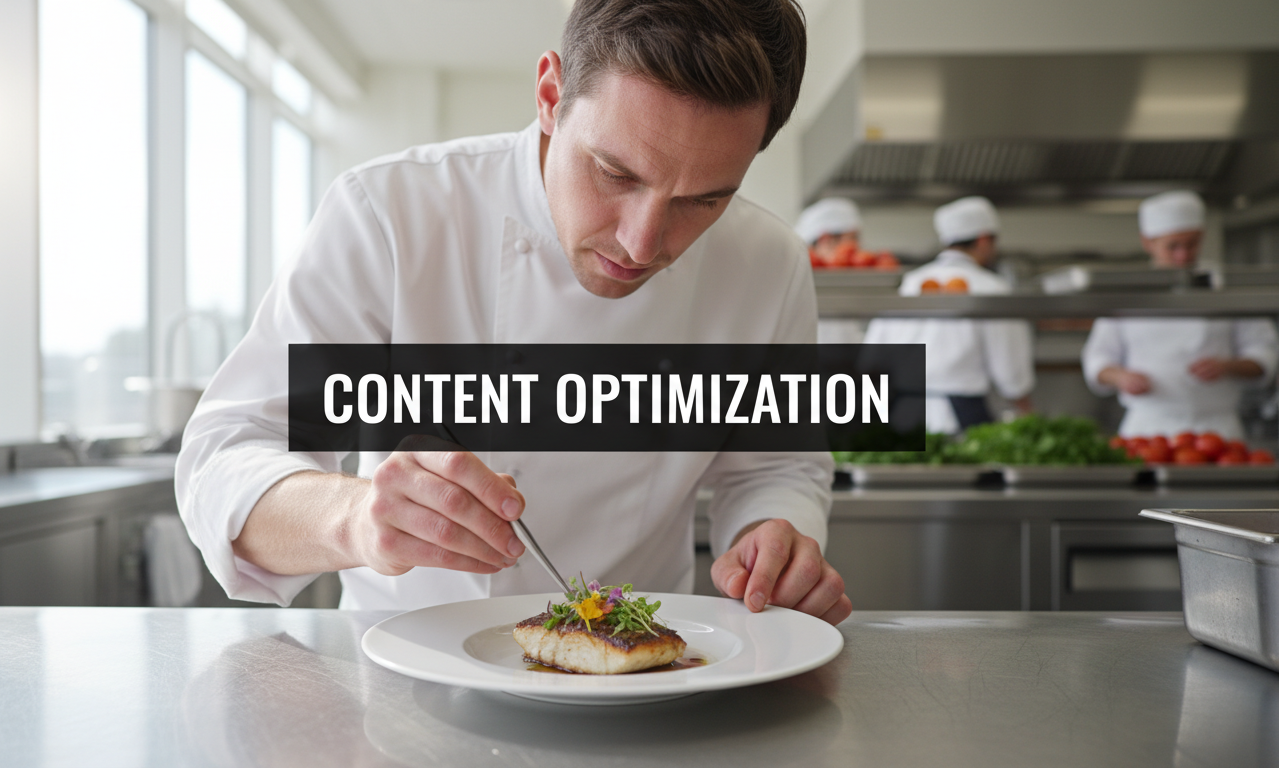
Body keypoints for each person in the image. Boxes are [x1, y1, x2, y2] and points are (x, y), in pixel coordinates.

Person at [175, 0, 851, 625]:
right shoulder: (390, 214)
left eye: (703, 200)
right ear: (552, 96)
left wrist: (774, 533)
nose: (642, 242)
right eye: (616, 174)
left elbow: (776, 468)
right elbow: (223, 457)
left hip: (639, 678)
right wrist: (352, 517)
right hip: (401, 678)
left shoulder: (769, 262)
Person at [1082, 190, 1278, 438]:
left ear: (1202, 237)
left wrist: (1229, 366)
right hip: (1146, 428)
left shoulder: (1226, 287)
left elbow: (1265, 353)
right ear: (1148, 242)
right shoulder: (1129, 291)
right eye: (1172, 246)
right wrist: (1120, 376)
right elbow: (1097, 359)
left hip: (1218, 430)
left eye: (1191, 244)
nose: (1183, 255)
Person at [862, 196, 1034, 434]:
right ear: (984, 240)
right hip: (963, 415)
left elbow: (872, 358)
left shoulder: (910, 282)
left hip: (903, 412)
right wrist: (1026, 410)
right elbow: (1010, 370)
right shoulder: (992, 287)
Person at [796, 197, 866, 344]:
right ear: (826, 240)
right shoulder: (797, 280)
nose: (858, 247)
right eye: (853, 238)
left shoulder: (843, 283)